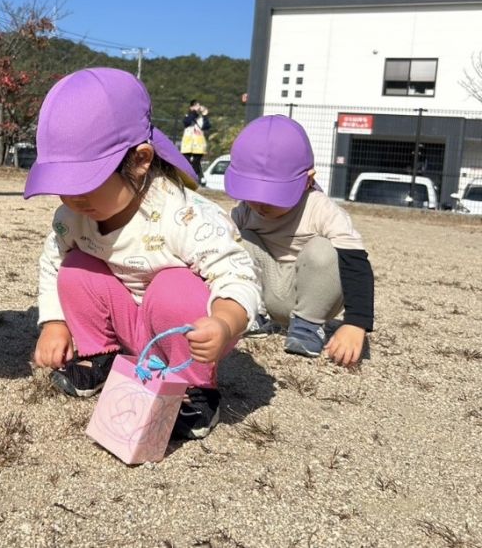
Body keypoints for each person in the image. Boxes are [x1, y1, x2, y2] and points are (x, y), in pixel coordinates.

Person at [24, 69, 260, 439]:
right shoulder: (74, 215)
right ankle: (99, 357)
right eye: (61, 184)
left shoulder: (182, 214)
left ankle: (195, 389)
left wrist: (225, 323)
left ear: (140, 160)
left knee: (173, 286)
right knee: (74, 268)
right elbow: (52, 263)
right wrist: (54, 323)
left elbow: (236, 273)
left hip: (186, 333)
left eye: (85, 182)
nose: (72, 198)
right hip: (127, 322)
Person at [224, 115, 374, 367]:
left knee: (323, 249)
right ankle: (253, 313)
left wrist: (356, 323)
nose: (260, 203)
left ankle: (308, 325)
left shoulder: (320, 209)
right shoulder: (246, 211)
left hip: (311, 295)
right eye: (252, 193)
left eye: (273, 196)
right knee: (233, 238)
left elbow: (355, 262)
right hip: (265, 290)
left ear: (308, 180)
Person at [180, 99, 211, 181]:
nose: (198, 107)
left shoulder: (201, 118)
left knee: (196, 162)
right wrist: (194, 112)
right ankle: (194, 177)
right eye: (196, 105)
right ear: (191, 107)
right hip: (188, 143)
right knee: (186, 161)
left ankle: (194, 178)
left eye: (199, 105)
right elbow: (187, 122)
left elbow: (206, 126)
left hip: (199, 144)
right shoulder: (188, 115)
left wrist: (205, 115)